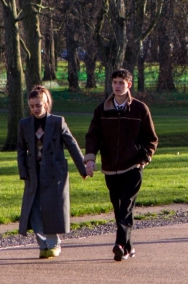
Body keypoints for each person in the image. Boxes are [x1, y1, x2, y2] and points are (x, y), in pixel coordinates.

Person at [84, 68, 158, 261]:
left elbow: (151, 139)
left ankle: (119, 245)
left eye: (121, 83)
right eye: (115, 82)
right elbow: (93, 137)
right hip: (110, 168)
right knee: (119, 209)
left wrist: (144, 158)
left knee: (125, 206)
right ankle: (129, 247)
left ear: (129, 85)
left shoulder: (140, 109)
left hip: (132, 167)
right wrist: (90, 159)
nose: (117, 86)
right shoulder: (102, 110)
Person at [16, 86, 89, 259]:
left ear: (46, 104)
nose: (35, 109)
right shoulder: (24, 124)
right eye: (32, 106)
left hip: (54, 172)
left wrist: (83, 168)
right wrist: (23, 171)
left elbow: (71, 144)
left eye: (38, 105)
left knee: (51, 209)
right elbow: (20, 149)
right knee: (33, 209)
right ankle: (43, 245)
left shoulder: (57, 122)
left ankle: (53, 243)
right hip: (34, 172)